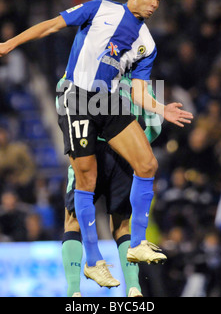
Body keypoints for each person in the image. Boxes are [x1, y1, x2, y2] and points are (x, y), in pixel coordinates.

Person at [0, 0, 194, 288]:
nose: (155, 4)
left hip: (106, 101)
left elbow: (137, 90)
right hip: (76, 96)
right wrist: (10, 43)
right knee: (85, 177)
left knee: (148, 164)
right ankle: (94, 261)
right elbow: (52, 25)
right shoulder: (100, 9)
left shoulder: (147, 44)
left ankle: (138, 243)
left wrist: (160, 108)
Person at [62, 74, 162, 297]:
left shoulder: (77, 74)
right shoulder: (140, 82)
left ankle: (73, 290)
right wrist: (131, 149)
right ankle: (134, 286)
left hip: (88, 152)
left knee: (73, 220)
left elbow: (68, 118)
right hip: (124, 159)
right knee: (122, 226)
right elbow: (155, 126)